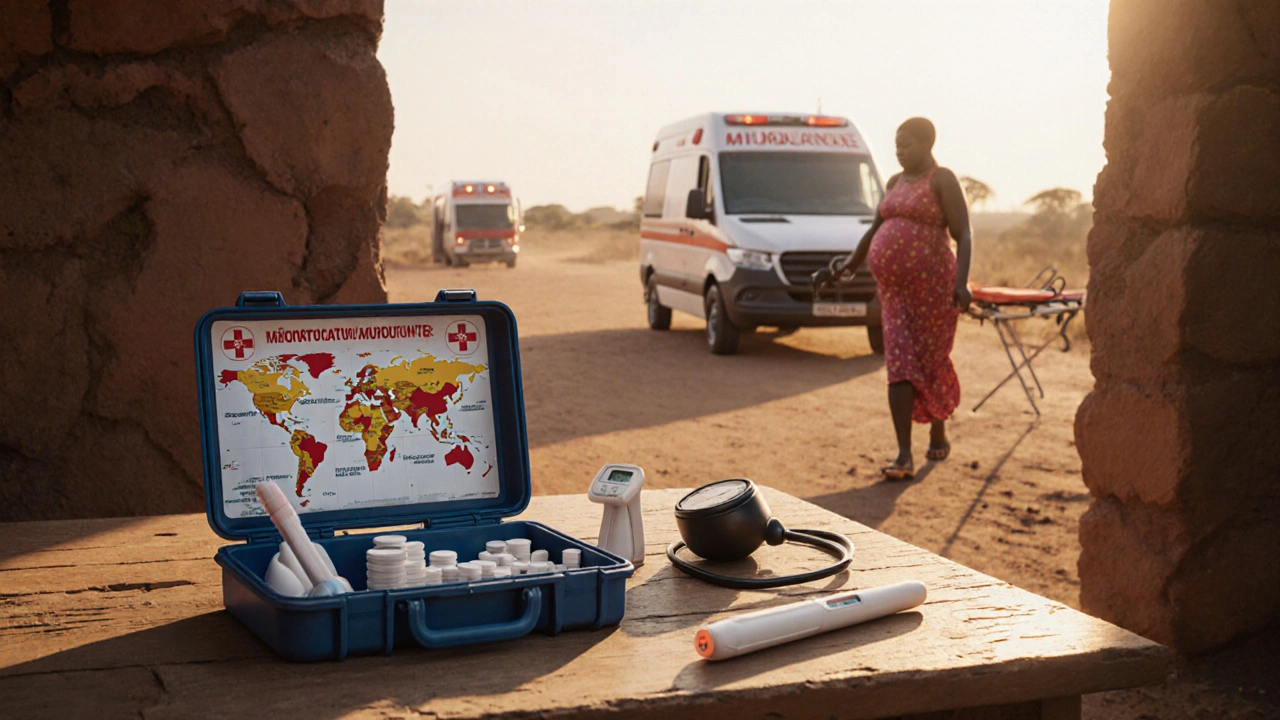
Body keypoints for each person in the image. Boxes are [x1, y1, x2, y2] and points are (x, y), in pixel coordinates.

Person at [832, 117, 972, 479]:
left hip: (934, 290)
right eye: (896, 145)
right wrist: (847, 267)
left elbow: (964, 234)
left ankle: (938, 428)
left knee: (932, 359)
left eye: (906, 144)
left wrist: (962, 283)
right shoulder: (894, 183)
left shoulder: (942, 180)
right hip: (894, 294)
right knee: (900, 365)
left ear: (927, 144)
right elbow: (875, 230)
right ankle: (904, 454)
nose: (899, 151)